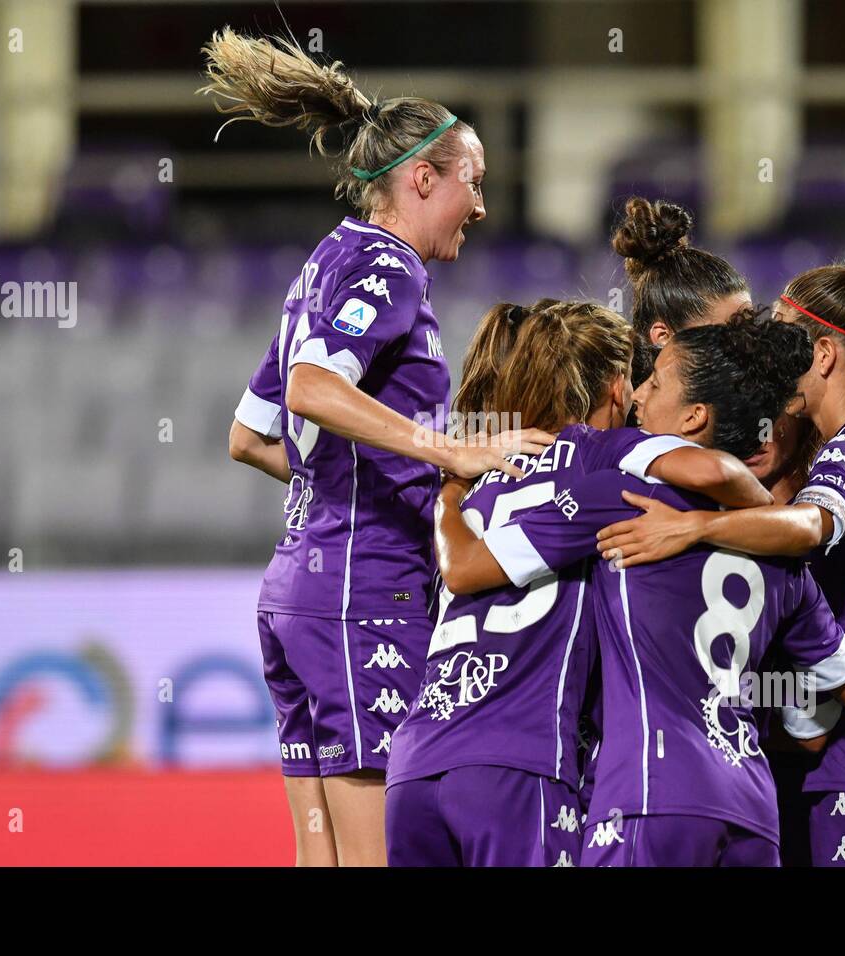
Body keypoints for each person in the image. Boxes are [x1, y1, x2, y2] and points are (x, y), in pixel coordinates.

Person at [204, 27, 552, 866]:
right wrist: (451, 456)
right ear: (421, 178)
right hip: (365, 599)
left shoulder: (320, 267)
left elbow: (248, 437)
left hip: (297, 594)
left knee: (317, 858)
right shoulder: (388, 269)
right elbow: (310, 393)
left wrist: (365, 476)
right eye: (473, 182)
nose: (481, 205)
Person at [432, 314, 845, 866]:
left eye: (654, 382)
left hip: (648, 797)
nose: (636, 394)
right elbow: (832, 713)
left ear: (693, 416)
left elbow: (468, 569)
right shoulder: (784, 558)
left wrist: (451, 488)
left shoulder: (624, 506)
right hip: (752, 811)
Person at [595, 242, 845, 866]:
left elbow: (808, 526)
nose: (773, 369)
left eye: (786, 348)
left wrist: (693, 531)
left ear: (824, 353)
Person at [385, 300, 772, 866]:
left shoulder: (482, 476)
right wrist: (750, 522)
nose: (641, 399)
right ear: (617, 387)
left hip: (415, 765)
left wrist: (448, 487)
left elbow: (440, 575)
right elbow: (716, 470)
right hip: (519, 764)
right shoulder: (600, 457)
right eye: (638, 384)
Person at [612, 197, 752, 388]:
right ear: (664, 337)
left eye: (750, 327)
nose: (750, 347)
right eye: (728, 336)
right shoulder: (622, 414)